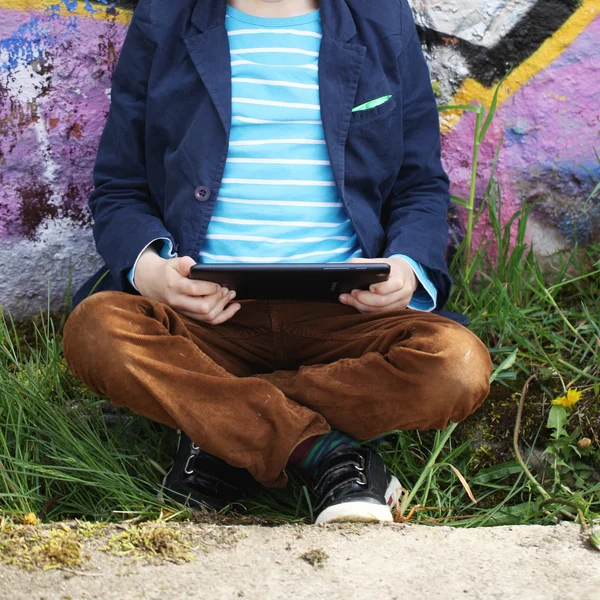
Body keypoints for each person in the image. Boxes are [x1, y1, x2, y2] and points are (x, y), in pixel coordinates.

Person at [63, 0, 493, 524]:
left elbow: (419, 185)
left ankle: (217, 428)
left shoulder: (380, 17)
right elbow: (119, 186)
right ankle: (326, 454)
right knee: (96, 331)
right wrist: (152, 272)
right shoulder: (166, 17)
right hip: (206, 317)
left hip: (344, 314)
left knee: (456, 366)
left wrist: (403, 268)